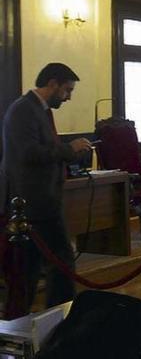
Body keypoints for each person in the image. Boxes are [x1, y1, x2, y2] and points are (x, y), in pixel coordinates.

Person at [0, 63, 91, 309]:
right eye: (67, 90)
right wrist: (69, 149)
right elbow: (29, 153)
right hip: (33, 201)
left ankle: (26, 318)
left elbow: (45, 149)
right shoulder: (23, 110)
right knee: (60, 260)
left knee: (29, 266)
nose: (69, 97)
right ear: (52, 84)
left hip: (42, 199)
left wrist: (71, 152)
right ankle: (60, 316)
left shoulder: (39, 110)